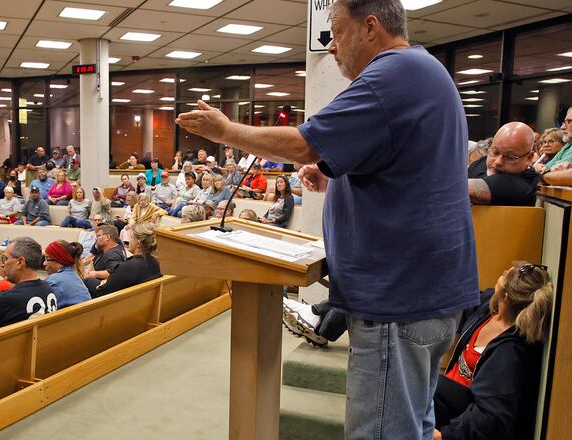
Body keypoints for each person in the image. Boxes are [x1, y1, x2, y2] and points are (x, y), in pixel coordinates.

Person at [175, 1, 479, 438]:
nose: (331, 46)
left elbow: (304, 144)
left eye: (337, 32)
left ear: (370, 27)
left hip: (400, 298)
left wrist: (227, 132)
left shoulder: (390, 76)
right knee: (412, 426)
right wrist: (334, 177)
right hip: (429, 291)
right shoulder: (423, 71)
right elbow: (400, 167)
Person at [434, 263, 553, 440]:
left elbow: (490, 418)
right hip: (447, 404)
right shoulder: (490, 310)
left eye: (504, 275)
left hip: (460, 422)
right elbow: (465, 302)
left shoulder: (509, 353)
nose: (503, 272)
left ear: (504, 297)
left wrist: (442, 436)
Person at [0, 237, 58, 331]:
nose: (4, 264)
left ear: (20, 262)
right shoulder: (49, 289)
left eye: (5, 258)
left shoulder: (8, 298)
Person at [467, 122, 541, 206]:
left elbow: (462, 189)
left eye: (510, 157)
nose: (498, 161)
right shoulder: (480, 164)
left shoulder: (522, 185)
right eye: (495, 152)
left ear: (529, 158)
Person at [95, 223, 162, 298]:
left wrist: (100, 285)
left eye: (131, 237)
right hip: (139, 302)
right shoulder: (156, 263)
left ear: (138, 243)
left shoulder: (127, 267)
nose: (129, 241)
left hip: (118, 305)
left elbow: (102, 294)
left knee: (88, 282)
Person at [43, 240, 91, 308]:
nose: (44, 263)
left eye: (48, 259)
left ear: (60, 260)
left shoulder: (53, 281)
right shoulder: (75, 276)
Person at [84, 225, 127, 295]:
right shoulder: (104, 249)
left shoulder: (114, 255)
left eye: (98, 236)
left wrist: (95, 273)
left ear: (107, 237)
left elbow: (113, 273)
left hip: (101, 290)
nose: (96, 238)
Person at [542, 106, 572, 173]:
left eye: (568, 121)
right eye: (544, 142)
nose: (562, 127)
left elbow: (552, 171)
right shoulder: (570, 143)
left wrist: (543, 171)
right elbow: (546, 168)